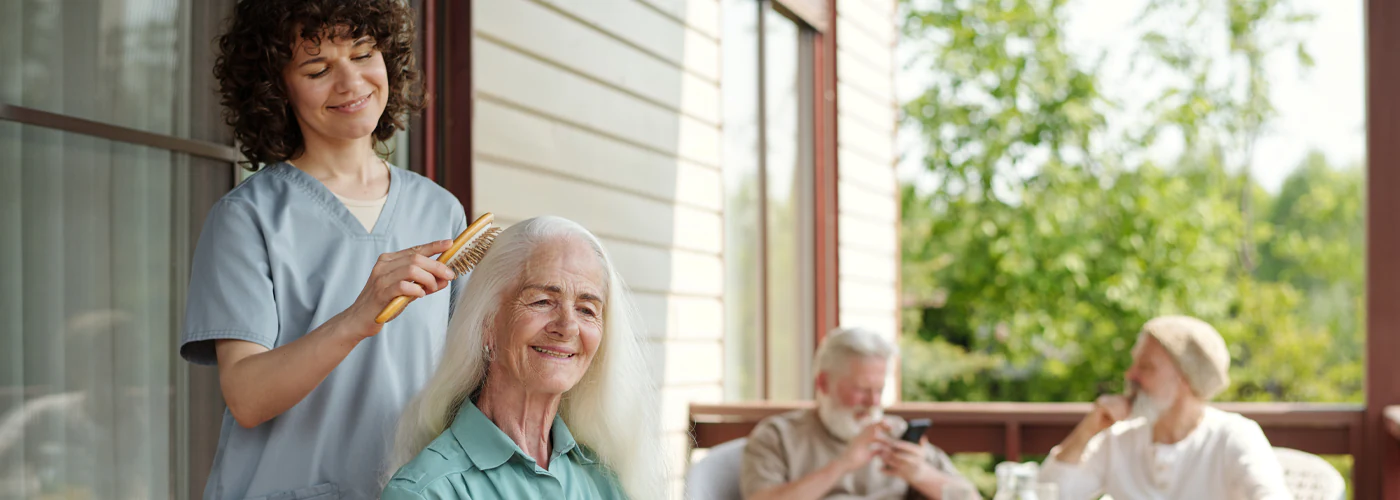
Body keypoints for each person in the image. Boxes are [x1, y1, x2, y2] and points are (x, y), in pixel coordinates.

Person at [178, 1, 468, 498]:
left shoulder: (440, 211)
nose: (351, 83)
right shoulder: (248, 218)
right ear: (277, 87)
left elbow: (463, 376)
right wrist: (359, 317)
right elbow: (246, 396)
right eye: (317, 68)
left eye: (363, 54)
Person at [382, 216, 666, 500]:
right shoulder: (427, 491)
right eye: (542, 301)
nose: (567, 327)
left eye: (587, 310)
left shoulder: (603, 479)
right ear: (487, 323)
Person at [1040, 315, 1292, 500]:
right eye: (1134, 364)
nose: (1130, 374)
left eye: (1146, 367)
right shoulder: (1119, 438)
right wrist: (1087, 429)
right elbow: (1049, 495)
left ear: (1185, 379)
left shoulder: (1233, 436)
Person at [742, 327, 976, 500]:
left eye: (880, 390)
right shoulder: (778, 436)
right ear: (823, 383)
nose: (873, 402)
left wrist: (920, 474)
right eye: (861, 389)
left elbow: (970, 497)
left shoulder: (894, 432)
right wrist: (842, 464)